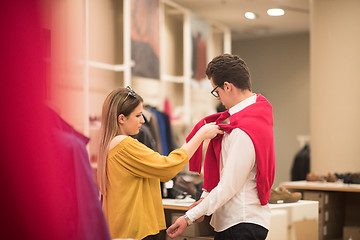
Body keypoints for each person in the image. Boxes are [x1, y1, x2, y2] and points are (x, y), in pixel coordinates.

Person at [167, 54, 275, 240]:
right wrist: (203, 203)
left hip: (240, 222)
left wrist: (189, 217)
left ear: (227, 86)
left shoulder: (243, 129)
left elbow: (228, 185)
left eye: (216, 91)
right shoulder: (253, 117)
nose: (218, 98)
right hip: (240, 221)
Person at [97, 86, 223, 240]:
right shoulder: (123, 144)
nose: (143, 120)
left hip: (123, 230)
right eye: (138, 115)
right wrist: (200, 135)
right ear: (121, 118)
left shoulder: (109, 144)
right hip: (136, 232)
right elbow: (168, 167)